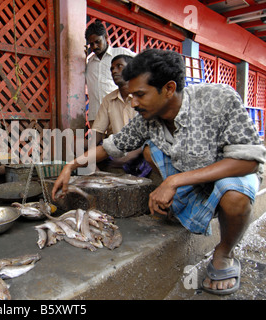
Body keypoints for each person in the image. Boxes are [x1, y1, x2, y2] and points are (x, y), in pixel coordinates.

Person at [52, 49, 266, 295]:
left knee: (235, 197)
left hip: (228, 175)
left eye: (140, 94)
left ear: (168, 88)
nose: (133, 103)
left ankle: (224, 253)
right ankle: (183, 202)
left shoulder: (218, 99)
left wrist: (174, 181)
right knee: (148, 151)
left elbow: (249, 160)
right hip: (191, 178)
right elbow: (111, 146)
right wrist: (71, 165)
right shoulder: (147, 118)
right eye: (132, 95)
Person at [92, 54, 151, 177]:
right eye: (112, 68)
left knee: (149, 151)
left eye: (119, 66)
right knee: (87, 145)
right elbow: (98, 131)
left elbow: (151, 136)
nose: (114, 71)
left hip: (139, 151)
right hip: (116, 149)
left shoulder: (143, 97)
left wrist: (131, 154)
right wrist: (90, 157)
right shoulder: (108, 99)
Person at [85, 20, 135, 127]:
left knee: (116, 142)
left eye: (98, 41)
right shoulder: (90, 62)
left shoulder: (121, 53)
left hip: (116, 114)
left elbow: (142, 65)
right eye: (91, 44)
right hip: (95, 116)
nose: (94, 46)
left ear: (106, 38)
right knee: (96, 143)